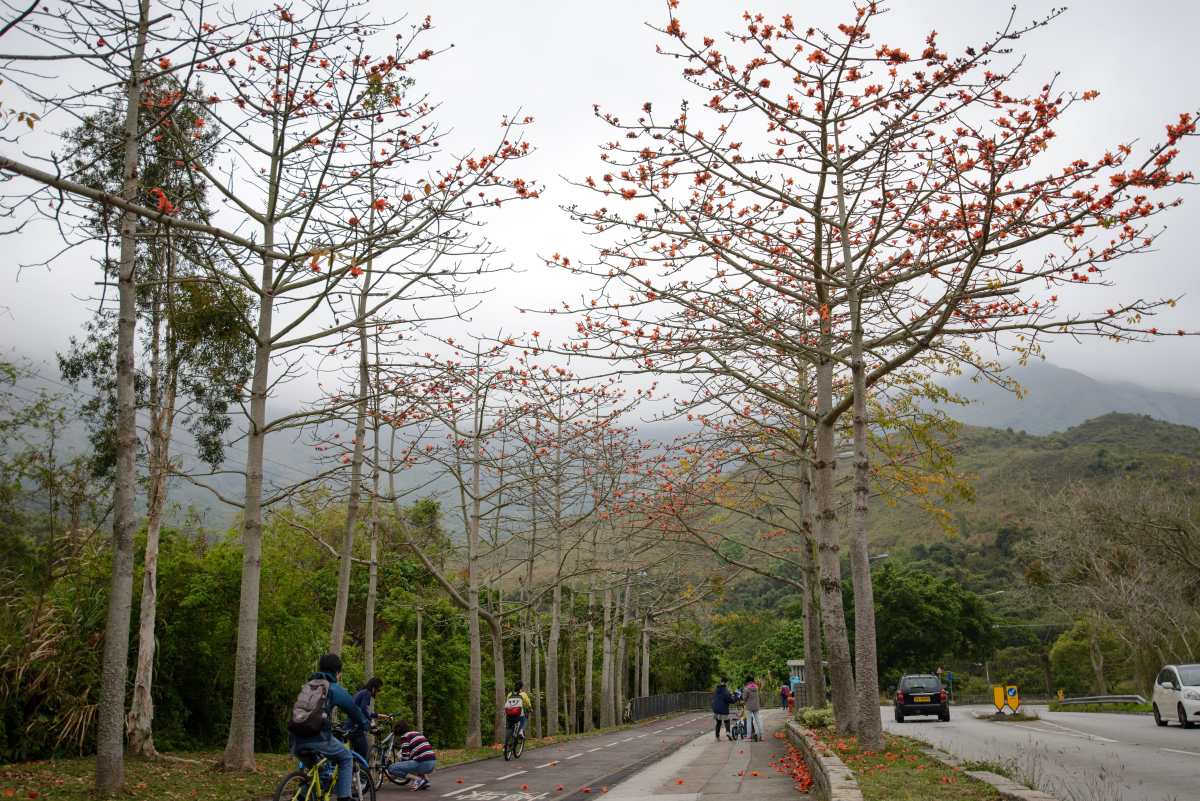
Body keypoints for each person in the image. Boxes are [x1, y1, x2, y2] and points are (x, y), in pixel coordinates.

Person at [290, 654, 369, 801]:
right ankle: (344, 797)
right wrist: (365, 724)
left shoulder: (308, 685)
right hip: (319, 738)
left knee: (317, 771)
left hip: (295, 740)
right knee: (346, 757)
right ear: (337, 673)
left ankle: (301, 797)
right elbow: (353, 709)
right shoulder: (333, 687)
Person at [387, 718, 436, 791]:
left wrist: (396, 773)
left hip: (423, 764)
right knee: (417, 759)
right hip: (432, 763)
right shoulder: (417, 733)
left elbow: (405, 758)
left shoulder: (405, 736)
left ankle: (418, 780)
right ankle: (425, 781)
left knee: (391, 768)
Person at [350, 677, 384, 760]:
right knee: (363, 753)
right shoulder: (367, 693)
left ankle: (355, 771)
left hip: (350, 726)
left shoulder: (360, 693)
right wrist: (372, 723)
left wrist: (378, 715)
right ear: (374, 688)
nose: (377, 692)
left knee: (355, 754)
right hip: (356, 728)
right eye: (378, 690)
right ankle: (362, 772)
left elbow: (364, 711)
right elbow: (363, 710)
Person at [743, 675, 762, 742]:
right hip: (756, 706)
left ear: (747, 681)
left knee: (749, 721)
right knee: (758, 720)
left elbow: (744, 698)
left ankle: (748, 737)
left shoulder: (746, 688)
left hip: (749, 707)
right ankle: (761, 736)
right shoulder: (756, 687)